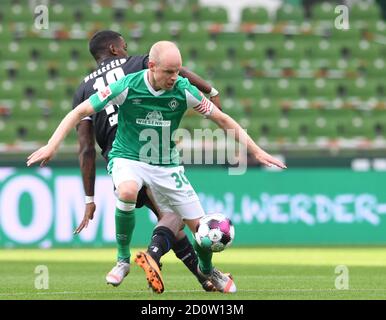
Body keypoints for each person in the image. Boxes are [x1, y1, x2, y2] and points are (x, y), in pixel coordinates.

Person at [26, 40, 286, 294]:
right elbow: (78, 112)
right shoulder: (127, 85)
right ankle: (122, 261)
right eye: (169, 72)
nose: (175, 77)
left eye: (177, 70)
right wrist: (51, 145)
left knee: (203, 230)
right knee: (127, 191)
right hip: (128, 157)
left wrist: (257, 151)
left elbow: (222, 119)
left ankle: (208, 270)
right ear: (151, 66)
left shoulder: (183, 89)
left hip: (166, 165)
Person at [71, 30, 223, 291]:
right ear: (114, 49)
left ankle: (204, 276)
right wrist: (210, 89)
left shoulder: (83, 89)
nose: (127, 51)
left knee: (169, 219)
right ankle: (162, 260)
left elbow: (85, 148)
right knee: (173, 215)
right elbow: (176, 71)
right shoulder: (135, 66)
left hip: (116, 159)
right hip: (142, 149)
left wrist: (89, 199)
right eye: (124, 46)